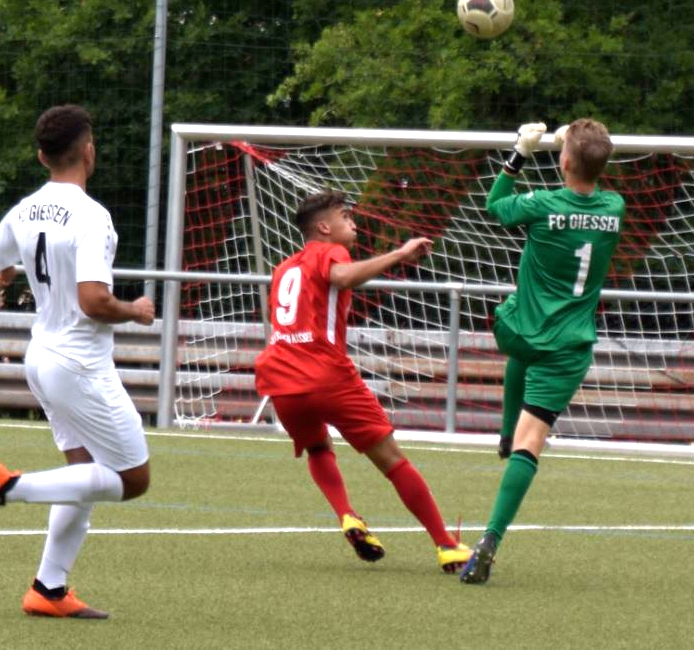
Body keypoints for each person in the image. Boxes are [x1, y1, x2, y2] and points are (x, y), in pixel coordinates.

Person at [0, 104, 154, 620]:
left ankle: (49, 588)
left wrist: (17, 266)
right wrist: (135, 311)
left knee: (83, 473)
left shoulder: (26, 209)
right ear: (88, 150)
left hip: (41, 356)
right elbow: (93, 301)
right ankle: (8, 488)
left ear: (42, 156)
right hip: (79, 365)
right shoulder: (92, 215)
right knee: (132, 480)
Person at [254, 191, 472, 573]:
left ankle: (347, 515)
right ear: (324, 227)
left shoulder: (284, 268)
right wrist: (400, 255)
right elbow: (341, 275)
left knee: (319, 448)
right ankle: (446, 544)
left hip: (281, 380)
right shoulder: (330, 252)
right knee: (392, 462)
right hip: (325, 375)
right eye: (344, 216)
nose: (353, 223)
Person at [460, 120, 623, 585]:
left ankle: (505, 432)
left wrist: (520, 151)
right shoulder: (616, 205)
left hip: (520, 331)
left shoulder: (543, 203)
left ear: (564, 160)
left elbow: (494, 205)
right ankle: (490, 538)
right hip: (569, 348)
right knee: (533, 444)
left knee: (511, 322)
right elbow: (586, 185)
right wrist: (579, 144)